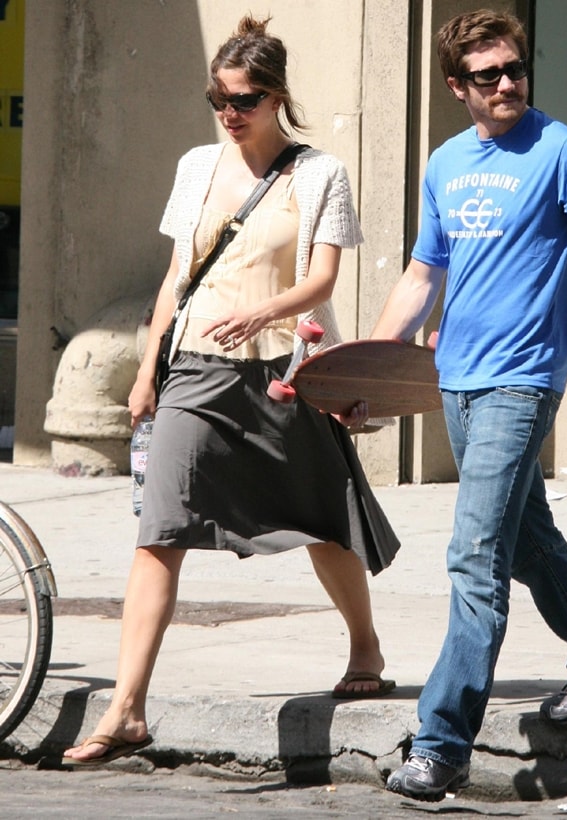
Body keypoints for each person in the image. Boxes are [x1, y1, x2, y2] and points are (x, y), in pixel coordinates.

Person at [63, 14, 399, 768]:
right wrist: (149, 369)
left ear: (276, 96)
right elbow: (177, 278)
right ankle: (127, 708)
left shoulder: (318, 174)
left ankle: (366, 649)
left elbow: (320, 278)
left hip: (283, 371)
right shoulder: (196, 167)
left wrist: (268, 311)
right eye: (218, 97)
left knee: (321, 517)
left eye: (243, 98)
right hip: (197, 370)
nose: (229, 112)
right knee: (160, 531)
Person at [372, 9, 567, 803]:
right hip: (455, 378)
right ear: (456, 86)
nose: (507, 84)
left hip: (523, 380)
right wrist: (368, 372)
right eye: (488, 75)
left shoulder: (565, 152)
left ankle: (441, 743)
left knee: (474, 553)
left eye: (515, 69)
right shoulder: (447, 162)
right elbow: (424, 275)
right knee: (526, 545)